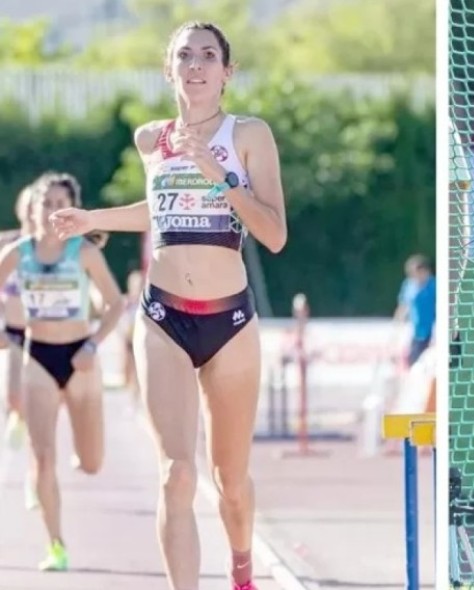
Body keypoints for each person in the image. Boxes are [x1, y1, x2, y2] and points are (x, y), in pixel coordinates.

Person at [50, 21, 287, 590]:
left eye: (209, 56)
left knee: (230, 479)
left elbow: (275, 234)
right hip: (162, 318)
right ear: (169, 68)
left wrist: (222, 176)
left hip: (230, 323)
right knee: (176, 475)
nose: (197, 65)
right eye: (185, 55)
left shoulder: (249, 135)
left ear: (227, 72)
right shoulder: (149, 139)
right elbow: (157, 209)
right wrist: (93, 220)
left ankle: (242, 567)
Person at [0, 172, 125, 571]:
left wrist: (92, 344)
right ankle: (55, 544)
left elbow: (116, 303)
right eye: (46, 203)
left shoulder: (83, 252)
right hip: (38, 356)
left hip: (79, 358)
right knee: (42, 455)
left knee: (91, 463)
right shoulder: (18, 253)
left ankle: (83, 454)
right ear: (33, 209)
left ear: (71, 209)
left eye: (60, 203)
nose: (53, 210)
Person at [2, 183, 36, 450]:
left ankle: (39, 456)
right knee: (12, 395)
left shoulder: (54, 247)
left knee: (40, 399)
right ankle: (18, 416)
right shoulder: (7, 243)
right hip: (13, 332)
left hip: (46, 333)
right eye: (27, 205)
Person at [394, 254, 436, 367]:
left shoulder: (434, 286)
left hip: (431, 330)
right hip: (414, 329)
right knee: (411, 359)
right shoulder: (409, 285)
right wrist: (398, 322)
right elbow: (404, 304)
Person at [118, 268, 144, 411]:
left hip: (139, 341)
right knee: (128, 371)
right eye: (136, 284)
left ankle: (139, 400)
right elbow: (122, 319)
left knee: (140, 372)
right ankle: (131, 399)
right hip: (129, 339)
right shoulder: (127, 302)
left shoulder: (145, 301)